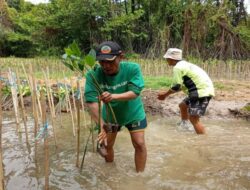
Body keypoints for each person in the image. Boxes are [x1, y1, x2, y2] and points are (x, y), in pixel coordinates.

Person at [84, 41, 147, 172]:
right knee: (106, 146)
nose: (106, 66)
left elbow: (135, 92)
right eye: (102, 62)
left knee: (139, 144)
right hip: (110, 116)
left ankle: (140, 177)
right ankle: (110, 172)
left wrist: (113, 96)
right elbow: (91, 101)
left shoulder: (132, 68)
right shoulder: (93, 75)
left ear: (121, 57)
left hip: (133, 113)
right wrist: (102, 125)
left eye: (110, 61)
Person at [157, 48, 214, 134]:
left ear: (171, 59)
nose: (166, 60)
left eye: (167, 58)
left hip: (200, 92)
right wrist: (167, 92)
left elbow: (176, 86)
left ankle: (202, 141)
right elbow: (182, 86)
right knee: (183, 105)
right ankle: (185, 125)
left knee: (194, 118)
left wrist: (165, 95)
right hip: (202, 89)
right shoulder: (186, 65)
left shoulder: (178, 68)